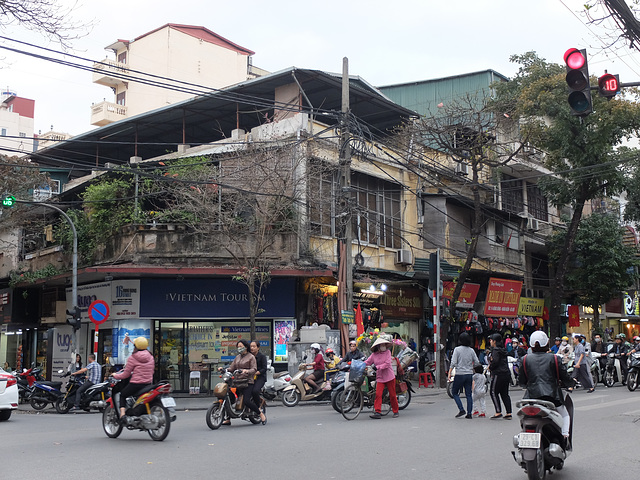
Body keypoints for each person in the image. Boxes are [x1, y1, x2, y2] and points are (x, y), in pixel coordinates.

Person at [519, 331, 575, 442]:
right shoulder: (554, 358)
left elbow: (522, 381)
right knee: (565, 415)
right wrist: (571, 383)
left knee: (523, 417)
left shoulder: (525, 359)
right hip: (552, 397)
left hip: (531, 398)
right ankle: (565, 437)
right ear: (547, 344)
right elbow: (564, 376)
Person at [220, 339, 264, 425]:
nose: (239, 348)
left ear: (246, 347)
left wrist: (246, 371)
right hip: (237, 381)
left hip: (247, 382)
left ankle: (260, 413)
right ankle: (228, 418)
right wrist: (224, 370)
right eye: (238, 347)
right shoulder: (237, 357)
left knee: (247, 401)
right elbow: (232, 368)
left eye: (241, 346)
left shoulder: (251, 357)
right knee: (228, 396)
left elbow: (254, 369)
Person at [112, 337, 154, 421]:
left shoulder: (133, 357)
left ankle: (122, 415)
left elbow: (126, 374)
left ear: (135, 346)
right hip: (148, 384)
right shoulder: (150, 356)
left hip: (136, 384)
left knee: (123, 395)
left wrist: (115, 375)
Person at [365, 337, 399, 419]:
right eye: (382, 345)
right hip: (380, 377)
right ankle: (377, 412)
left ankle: (395, 411)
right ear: (378, 346)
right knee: (378, 394)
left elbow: (387, 364)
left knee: (392, 395)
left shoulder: (388, 352)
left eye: (384, 345)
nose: (383, 346)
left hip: (389, 377)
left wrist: (378, 367)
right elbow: (368, 362)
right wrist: (359, 364)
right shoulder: (374, 355)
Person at [447, 332, 479, 419]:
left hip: (460, 374)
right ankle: (469, 413)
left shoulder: (457, 349)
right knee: (468, 394)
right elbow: (476, 362)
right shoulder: (471, 350)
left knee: (454, 392)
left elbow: (453, 362)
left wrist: (449, 372)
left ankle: (461, 409)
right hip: (469, 374)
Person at [488, 333, 513, 420]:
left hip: (498, 374)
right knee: (504, 394)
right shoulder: (503, 350)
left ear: (494, 341)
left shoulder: (495, 350)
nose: (490, 342)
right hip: (506, 373)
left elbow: (495, 362)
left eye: (491, 340)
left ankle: (498, 411)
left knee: (493, 392)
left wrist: (490, 367)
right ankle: (509, 412)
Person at [249, 340, 268, 422]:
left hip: (260, 377)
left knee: (255, 391)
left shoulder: (262, 357)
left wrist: (257, 372)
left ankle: (258, 407)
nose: (252, 348)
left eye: (254, 346)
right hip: (250, 376)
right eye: (251, 346)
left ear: (258, 348)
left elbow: (264, 368)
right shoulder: (248, 356)